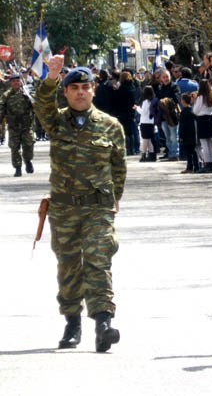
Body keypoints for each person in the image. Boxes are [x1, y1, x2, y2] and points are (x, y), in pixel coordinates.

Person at [34, 55, 126, 353]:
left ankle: (104, 323)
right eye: (75, 88)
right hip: (63, 208)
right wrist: (51, 77)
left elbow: (118, 168)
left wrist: (116, 200)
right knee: (69, 265)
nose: (81, 92)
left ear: (93, 91)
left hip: (98, 207)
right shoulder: (57, 121)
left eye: (86, 87)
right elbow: (41, 105)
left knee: (99, 260)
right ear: (67, 91)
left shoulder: (111, 126)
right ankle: (72, 323)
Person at [0, 73, 35, 176]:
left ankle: (28, 161)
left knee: (28, 146)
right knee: (15, 148)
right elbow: (1, 108)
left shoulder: (27, 92)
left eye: (18, 80)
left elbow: (36, 105)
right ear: (11, 83)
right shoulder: (6, 95)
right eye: (14, 81)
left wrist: (31, 98)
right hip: (13, 126)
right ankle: (18, 168)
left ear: (20, 81)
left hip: (26, 125)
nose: (16, 82)